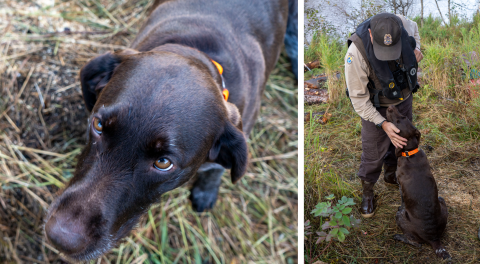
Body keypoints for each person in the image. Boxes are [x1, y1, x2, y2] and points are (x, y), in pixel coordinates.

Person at [345, 13, 424, 218]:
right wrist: (382, 123)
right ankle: (368, 192)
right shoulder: (356, 53)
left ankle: (392, 176)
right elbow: (359, 100)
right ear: (371, 35)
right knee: (373, 152)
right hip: (375, 106)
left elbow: (415, 29)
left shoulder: (403, 24)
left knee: (400, 142)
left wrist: (417, 49)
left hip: (403, 99)